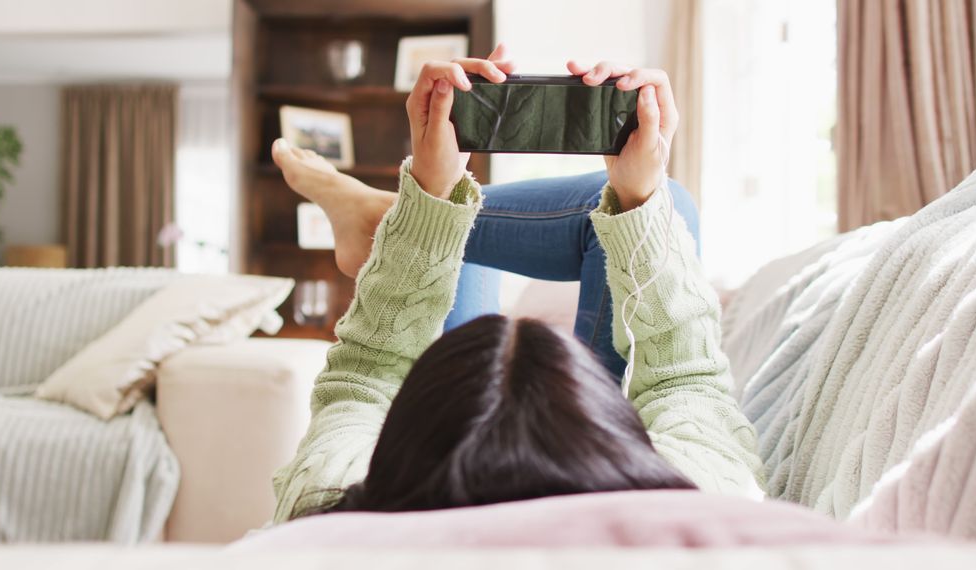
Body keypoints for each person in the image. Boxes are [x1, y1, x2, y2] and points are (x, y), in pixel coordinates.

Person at [270, 45, 764, 521]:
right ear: (601, 419)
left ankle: (384, 217)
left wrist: (427, 194)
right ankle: (386, 217)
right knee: (661, 199)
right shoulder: (682, 518)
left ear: (416, 427)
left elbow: (364, 379)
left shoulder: (339, 519)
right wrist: (644, 194)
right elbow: (688, 381)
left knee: (465, 233)